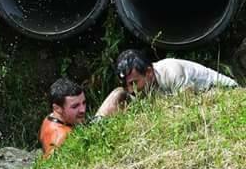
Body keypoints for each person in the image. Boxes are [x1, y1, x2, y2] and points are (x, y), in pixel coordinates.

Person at [95, 49, 238, 117]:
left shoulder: (171, 71)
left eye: (134, 83)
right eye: (128, 85)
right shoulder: (141, 86)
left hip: (225, 92)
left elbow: (187, 108)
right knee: (118, 93)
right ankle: (96, 125)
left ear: (149, 72)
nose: (132, 90)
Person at [38, 78, 87, 158]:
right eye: (75, 106)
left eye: (84, 103)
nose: (82, 109)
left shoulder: (50, 118)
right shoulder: (63, 135)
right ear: (57, 108)